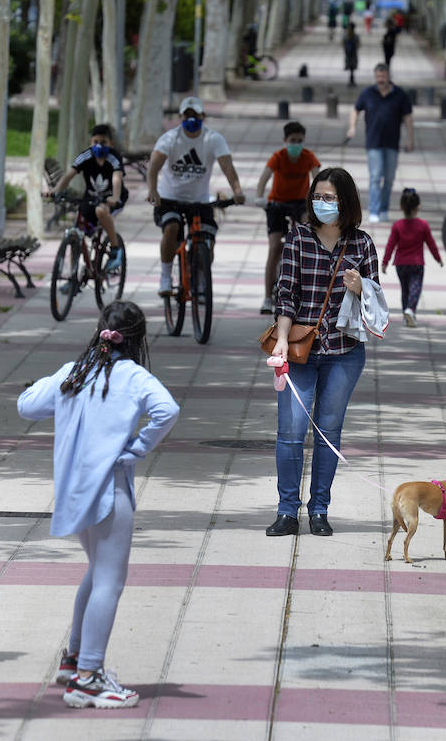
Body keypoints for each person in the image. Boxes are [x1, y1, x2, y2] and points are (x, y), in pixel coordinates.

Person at [18, 301, 179, 709]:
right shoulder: (136, 378)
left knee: (97, 572)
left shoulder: (75, 371)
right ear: (139, 338)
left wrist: (46, 383)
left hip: (73, 492)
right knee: (110, 581)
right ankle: (88, 677)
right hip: (110, 491)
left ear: (100, 331)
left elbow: (27, 406)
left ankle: (74, 660)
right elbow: (168, 410)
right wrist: (137, 448)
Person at [266, 167, 380, 538]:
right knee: (291, 432)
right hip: (300, 350)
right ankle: (287, 511)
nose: (322, 203)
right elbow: (285, 293)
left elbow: (376, 304)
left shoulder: (361, 244)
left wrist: (361, 287)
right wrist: (282, 338)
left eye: (330, 198)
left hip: (345, 351)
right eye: (318, 196)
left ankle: (319, 509)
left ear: (345, 201)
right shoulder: (297, 238)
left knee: (329, 430)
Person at [146, 96, 245, 296]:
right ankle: (165, 276)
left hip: (199, 200)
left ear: (203, 116)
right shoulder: (170, 138)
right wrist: (152, 190)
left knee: (207, 239)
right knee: (172, 227)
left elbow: (227, 166)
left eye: (196, 115)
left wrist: (237, 191)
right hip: (168, 199)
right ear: (181, 117)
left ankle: (201, 276)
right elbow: (153, 166)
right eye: (187, 115)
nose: (191, 119)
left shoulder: (213, 139)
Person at [256, 121, 321, 314]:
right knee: (275, 247)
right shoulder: (278, 157)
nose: (296, 144)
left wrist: (319, 198)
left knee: (310, 235)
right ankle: (268, 297)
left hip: (300, 203)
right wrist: (260, 197)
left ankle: (308, 287)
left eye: (300, 141)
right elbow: (263, 179)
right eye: (293, 140)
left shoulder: (308, 157)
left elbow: (318, 178)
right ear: (285, 140)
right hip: (277, 204)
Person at [50, 123, 127, 272]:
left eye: (103, 142)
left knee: (101, 211)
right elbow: (68, 176)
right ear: (90, 143)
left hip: (114, 198)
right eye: (95, 142)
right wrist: (55, 191)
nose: (99, 146)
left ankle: (115, 249)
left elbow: (117, 179)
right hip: (90, 199)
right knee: (76, 232)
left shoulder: (114, 158)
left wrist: (114, 198)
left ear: (110, 143)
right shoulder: (85, 156)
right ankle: (73, 276)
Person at [347, 63, 415, 223]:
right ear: (375, 76)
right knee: (376, 177)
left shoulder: (400, 94)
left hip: (392, 142)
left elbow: (408, 118)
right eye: (378, 76)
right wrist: (352, 128)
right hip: (373, 142)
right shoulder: (367, 93)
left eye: (383, 76)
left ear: (389, 76)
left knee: (389, 178)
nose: (381, 79)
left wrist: (410, 139)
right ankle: (374, 209)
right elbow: (355, 110)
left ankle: (384, 208)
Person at [382, 187, 441, 327]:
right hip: (416, 263)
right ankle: (410, 310)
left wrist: (385, 262)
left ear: (401, 207)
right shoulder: (423, 225)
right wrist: (438, 258)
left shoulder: (397, 226)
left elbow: (390, 245)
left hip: (401, 264)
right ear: (418, 207)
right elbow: (431, 243)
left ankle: (406, 314)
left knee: (405, 289)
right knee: (415, 288)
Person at [343, 23, 360, 87]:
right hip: (351, 54)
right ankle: (351, 80)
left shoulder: (347, 36)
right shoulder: (354, 36)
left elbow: (342, 43)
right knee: (351, 67)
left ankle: (351, 80)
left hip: (350, 54)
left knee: (351, 67)